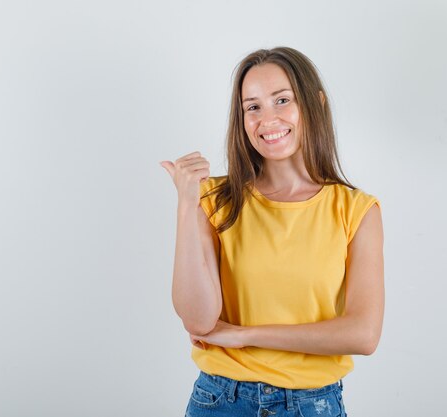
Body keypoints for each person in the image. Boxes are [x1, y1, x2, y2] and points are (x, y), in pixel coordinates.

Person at [160, 46, 384, 417]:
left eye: (282, 100)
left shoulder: (356, 210)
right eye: (253, 107)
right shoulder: (213, 200)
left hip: (313, 404)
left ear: (316, 103)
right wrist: (186, 203)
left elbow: (363, 335)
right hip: (221, 401)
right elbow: (199, 321)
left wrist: (245, 335)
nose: (268, 119)